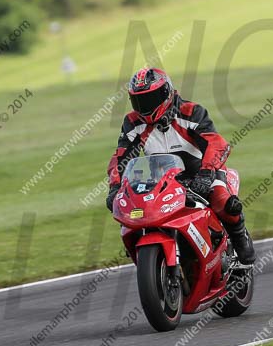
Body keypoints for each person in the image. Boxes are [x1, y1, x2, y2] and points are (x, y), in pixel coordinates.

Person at [105, 67, 256, 264]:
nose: (144, 106)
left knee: (223, 201)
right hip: (161, 180)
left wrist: (206, 172)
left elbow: (216, 143)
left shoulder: (192, 112)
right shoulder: (133, 123)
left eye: (150, 99)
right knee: (132, 209)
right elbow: (120, 157)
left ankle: (240, 238)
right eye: (139, 100)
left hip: (202, 173)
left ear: (166, 92)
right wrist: (115, 186)